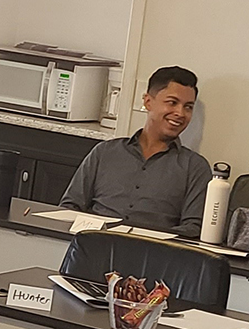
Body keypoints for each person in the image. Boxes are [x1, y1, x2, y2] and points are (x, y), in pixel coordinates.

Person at [59, 65, 208, 233]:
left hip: (153, 254)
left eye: (188, 107)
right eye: (172, 103)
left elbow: (193, 229)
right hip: (95, 245)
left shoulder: (195, 168)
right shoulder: (105, 152)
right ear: (148, 102)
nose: (180, 113)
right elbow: (70, 208)